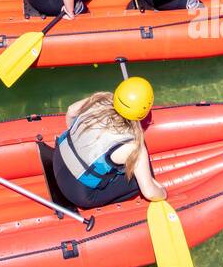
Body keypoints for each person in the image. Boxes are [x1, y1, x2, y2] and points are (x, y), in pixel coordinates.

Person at [51, 79, 167, 211]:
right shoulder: (133, 146)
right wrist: (163, 192)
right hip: (75, 191)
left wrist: (78, 138)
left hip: (58, 157)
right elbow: (150, 193)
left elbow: (71, 110)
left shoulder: (101, 99)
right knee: (136, 182)